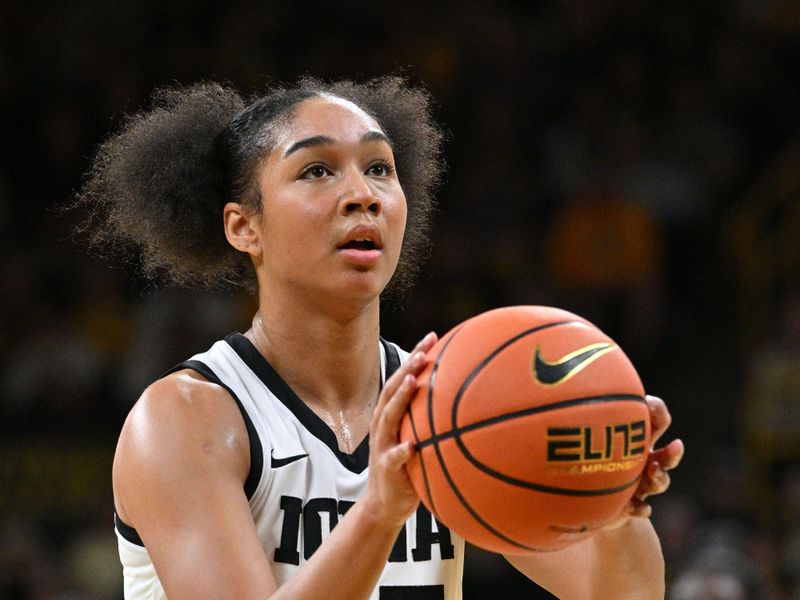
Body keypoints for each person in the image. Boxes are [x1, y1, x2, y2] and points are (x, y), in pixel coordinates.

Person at [76, 76, 684, 599]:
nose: (362, 194)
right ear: (244, 226)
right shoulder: (187, 416)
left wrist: (609, 509)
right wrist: (382, 511)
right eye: (316, 170)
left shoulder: (449, 405)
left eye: (379, 170)